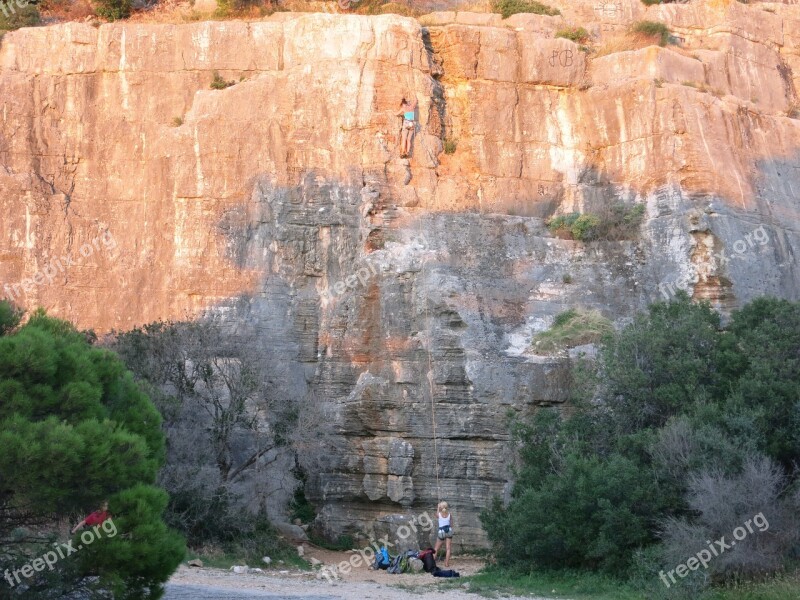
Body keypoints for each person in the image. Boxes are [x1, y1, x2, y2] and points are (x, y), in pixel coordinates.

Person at [434, 500, 454, 567]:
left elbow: (436, 515)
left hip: (441, 532)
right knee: (448, 548)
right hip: (449, 531)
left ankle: (432, 563)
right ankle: (446, 563)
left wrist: (437, 507)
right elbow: (451, 524)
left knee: (436, 549)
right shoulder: (449, 514)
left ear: (440, 507)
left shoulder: (439, 514)